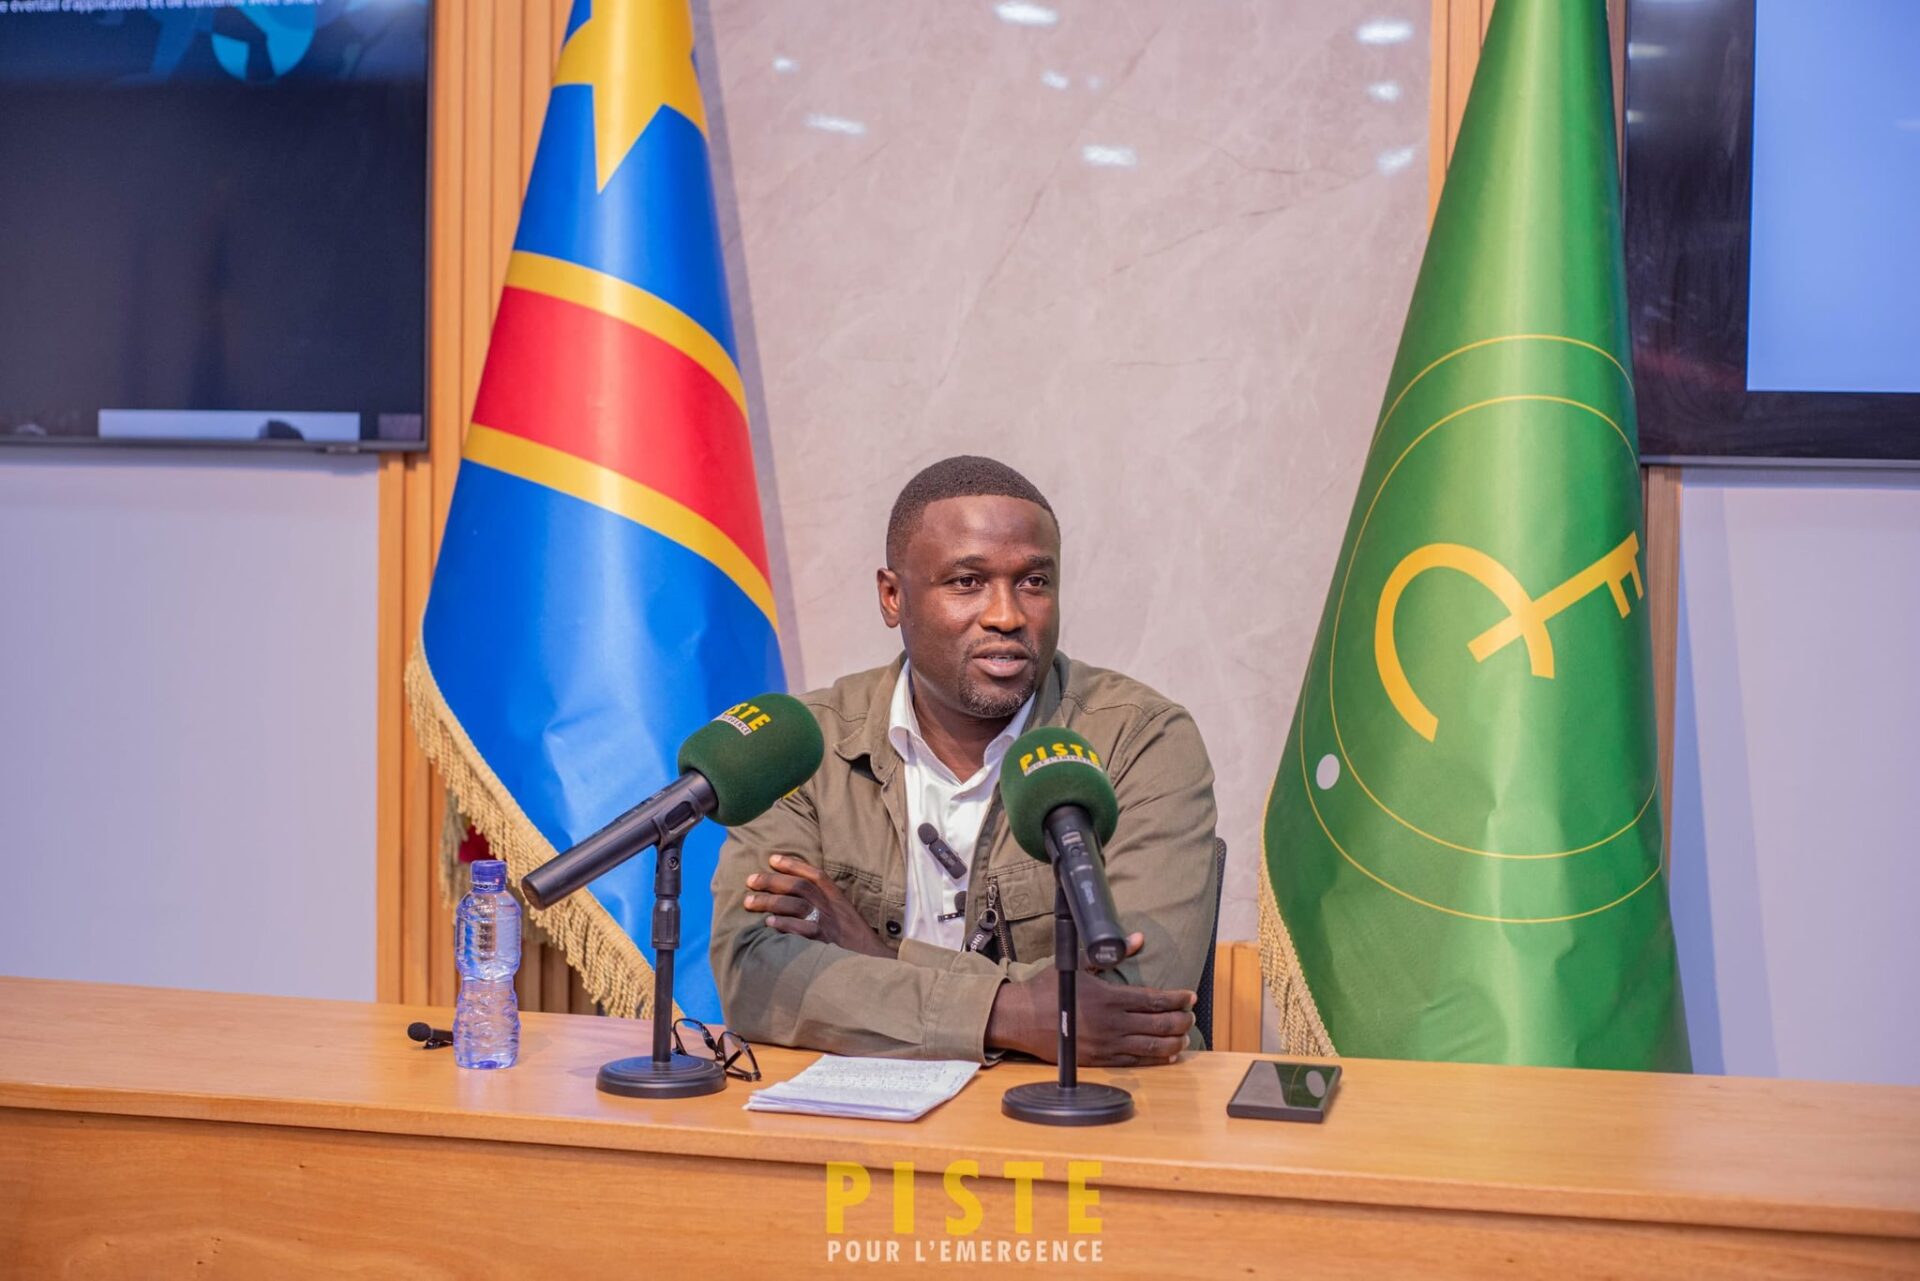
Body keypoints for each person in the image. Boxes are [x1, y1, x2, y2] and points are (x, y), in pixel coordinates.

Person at [710, 456, 1219, 1064]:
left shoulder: (1141, 739)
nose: (1007, 615)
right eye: (967, 582)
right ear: (893, 596)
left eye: (1034, 582)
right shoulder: (802, 746)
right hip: (864, 1111)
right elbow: (756, 976)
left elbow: (1134, 1000)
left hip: (1092, 1108)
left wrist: (873, 953)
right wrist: (1011, 1013)